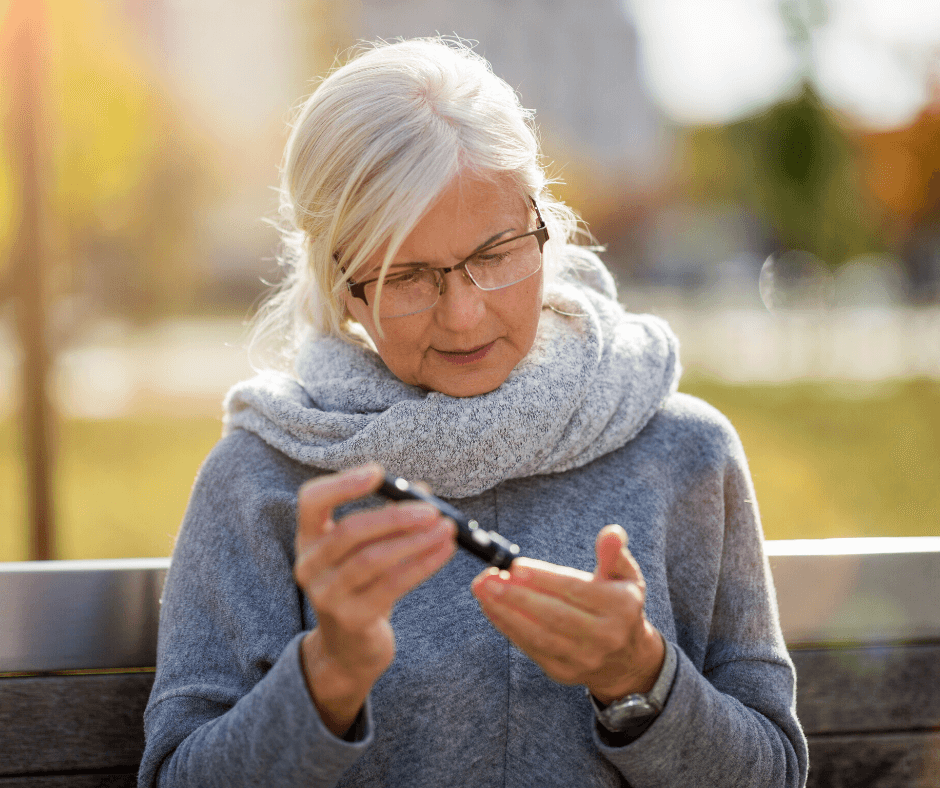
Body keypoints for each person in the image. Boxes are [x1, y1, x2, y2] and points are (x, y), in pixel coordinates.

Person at [139, 37, 808, 787]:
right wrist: (326, 677)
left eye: (495, 255)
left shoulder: (687, 454)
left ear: (543, 225)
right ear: (340, 285)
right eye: (407, 276)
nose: (463, 317)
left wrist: (640, 677)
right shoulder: (261, 481)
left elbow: (773, 775)